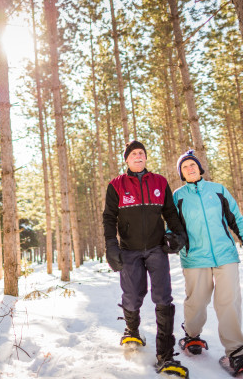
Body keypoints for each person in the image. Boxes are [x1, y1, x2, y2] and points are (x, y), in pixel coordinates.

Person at [172, 149, 243, 376]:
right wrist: (171, 239)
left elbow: (236, 219)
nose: (190, 168)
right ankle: (192, 336)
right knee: (197, 301)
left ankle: (236, 352)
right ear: (181, 174)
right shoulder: (178, 196)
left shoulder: (218, 190)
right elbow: (172, 225)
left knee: (229, 302)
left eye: (193, 165)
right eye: (185, 167)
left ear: (200, 168)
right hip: (194, 257)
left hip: (225, 255)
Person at [103, 140, 189, 377]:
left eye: (141, 153)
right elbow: (109, 218)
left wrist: (177, 234)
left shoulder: (160, 182)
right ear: (127, 160)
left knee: (163, 298)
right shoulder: (116, 185)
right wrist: (112, 245)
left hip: (156, 249)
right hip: (129, 250)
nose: (138, 156)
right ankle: (132, 329)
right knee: (132, 296)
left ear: (145, 158)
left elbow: (170, 212)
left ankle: (165, 355)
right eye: (133, 154)